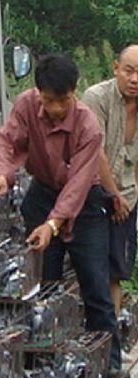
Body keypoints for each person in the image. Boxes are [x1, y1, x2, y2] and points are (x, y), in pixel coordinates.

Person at [0, 54, 129, 378]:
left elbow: (78, 185)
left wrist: (52, 225)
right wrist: (2, 174)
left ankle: (109, 364)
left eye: (63, 100)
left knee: (95, 283)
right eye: (49, 100)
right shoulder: (26, 105)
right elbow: (7, 142)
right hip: (43, 193)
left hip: (85, 202)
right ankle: (41, 368)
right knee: (41, 285)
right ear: (38, 93)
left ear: (74, 92)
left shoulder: (88, 125)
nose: (56, 108)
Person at [82, 45, 138, 323]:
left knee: (117, 271)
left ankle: (110, 337)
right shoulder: (97, 97)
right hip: (93, 193)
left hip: (129, 197)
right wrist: (114, 196)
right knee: (94, 271)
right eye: (129, 71)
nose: (134, 79)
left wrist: (131, 196)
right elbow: (96, 152)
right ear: (116, 68)